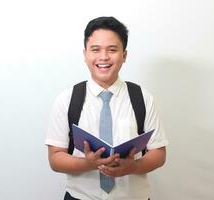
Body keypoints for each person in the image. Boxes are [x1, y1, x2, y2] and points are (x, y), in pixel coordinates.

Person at [45, 16, 168, 200]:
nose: (103, 57)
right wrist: (89, 163)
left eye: (112, 50)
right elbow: (55, 158)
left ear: (124, 55)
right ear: (85, 53)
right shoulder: (67, 99)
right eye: (95, 49)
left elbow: (158, 153)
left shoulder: (143, 98)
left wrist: (132, 167)